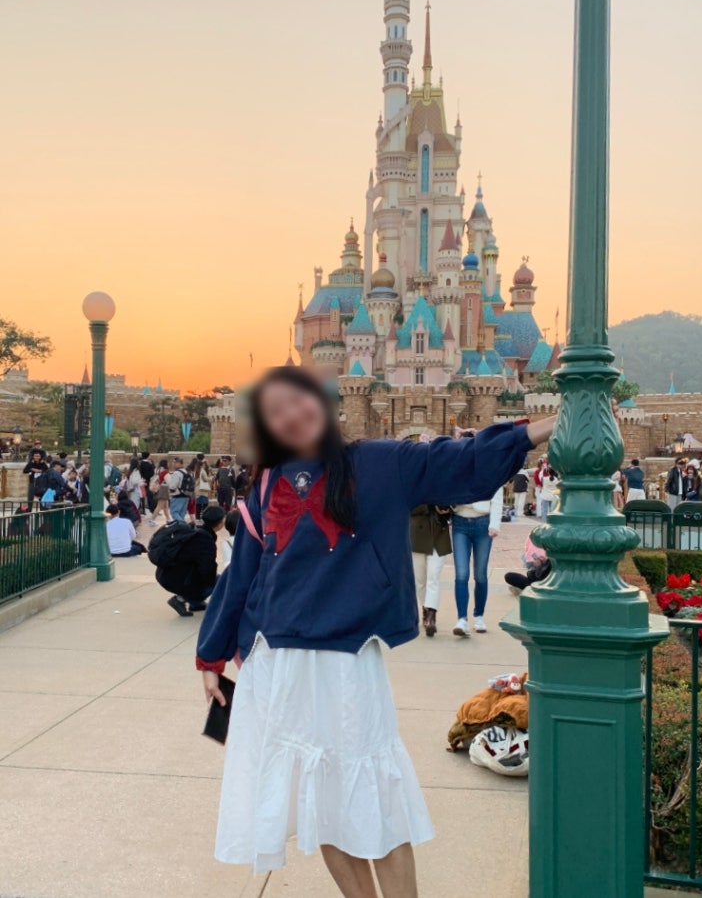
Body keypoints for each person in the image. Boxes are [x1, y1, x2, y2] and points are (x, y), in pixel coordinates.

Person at [195, 366, 554, 893]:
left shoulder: (380, 462)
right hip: (277, 663)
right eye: (276, 411)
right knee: (320, 805)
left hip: (347, 660)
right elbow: (242, 572)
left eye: (298, 400)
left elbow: (462, 459)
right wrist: (211, 656)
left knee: (375, 802)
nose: (292, 415)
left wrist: (545, 426)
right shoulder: (267, 483)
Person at [450, 476, 503, 637]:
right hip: (460, 521)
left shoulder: (491, 468)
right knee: (461, 573)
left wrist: (495, 523)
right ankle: (462, 619)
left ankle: (478, 616)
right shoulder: (458, 467)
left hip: (483, 523)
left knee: (480, 574)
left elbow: (497, 495)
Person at [158, 504, 225, 616]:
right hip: (175, 579)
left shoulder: (194, 529)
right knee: (220, 580)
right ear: (219, 524)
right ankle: (180, 599)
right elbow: (207, 570)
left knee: (208, 577)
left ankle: (195, 603)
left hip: (166, 573)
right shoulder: (205, 540)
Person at [409, 503, 452, 638]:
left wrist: (448, 508)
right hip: (417, 533)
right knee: (420, 580)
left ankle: (431, 617)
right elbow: (407, 504)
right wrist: (430, 506)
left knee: (433, 577)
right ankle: (426, 609)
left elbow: (453, 501)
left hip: (439, 532)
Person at [167, 458, 191, 522]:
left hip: (177, 495)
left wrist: (170, 490)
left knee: (174, 512)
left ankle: (184, 525)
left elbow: (173, 486)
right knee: (182, 515)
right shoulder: (186, 472)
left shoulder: (177, 473)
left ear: (179, 463)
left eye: (175, 462)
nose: (173, 464)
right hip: (186, 495)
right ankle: (182, 527)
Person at [150, 459, 172, 523]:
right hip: (164, 490)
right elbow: (169, 482)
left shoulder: (158, 471)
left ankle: (168, 519)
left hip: (161, 488)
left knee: (166, 506)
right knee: (159, 506)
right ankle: (152, 519)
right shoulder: (165, 472)